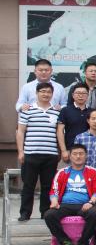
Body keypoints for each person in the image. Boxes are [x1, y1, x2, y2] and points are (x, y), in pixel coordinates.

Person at [45, 144, 96, 245]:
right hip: (65, 204)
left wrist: (91, 202)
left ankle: (83, 243)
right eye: (75, 154)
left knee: (95, 213)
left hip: (85, 204)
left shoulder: (93, 171)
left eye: (81, 154)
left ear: (86, 156)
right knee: (49, 215)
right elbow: (54, 190)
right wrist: (54, 201)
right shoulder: (62, 172)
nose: (78, 156)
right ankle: (65, 242)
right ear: (70, 156)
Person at [16, 81, 62, 221]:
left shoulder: (57, 111)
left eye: (49, 92)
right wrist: (21, 151)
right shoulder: (27, 110)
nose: (46, 94)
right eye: (43, 91)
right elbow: (20, 132)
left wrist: (60, 152)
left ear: (52, 94)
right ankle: (25, 213)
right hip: (30, 154)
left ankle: (45, 212)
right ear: (36, 93)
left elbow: (59, 133)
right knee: (28, 185)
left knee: (48, 186)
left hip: (50, 154)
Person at [57, 84, 91, 160]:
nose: (80, 95)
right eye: (78, 93)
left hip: (88, 150)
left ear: (88, 95)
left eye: (83, 93)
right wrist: (63, 150)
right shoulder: (65, 110)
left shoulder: (92, 111)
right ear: (73, 95)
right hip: (70, 150)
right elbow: (60, 131)